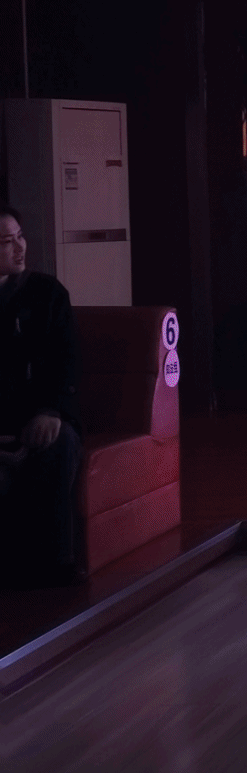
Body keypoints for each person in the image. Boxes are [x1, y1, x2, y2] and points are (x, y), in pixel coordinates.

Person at [0, 206, 82, 587]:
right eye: (7, 241)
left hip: (43, 416)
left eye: (20, 236)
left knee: (58, 444)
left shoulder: (47, 294)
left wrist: (51, 411)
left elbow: (67, 362)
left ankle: (57, 566)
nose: (20, 248)